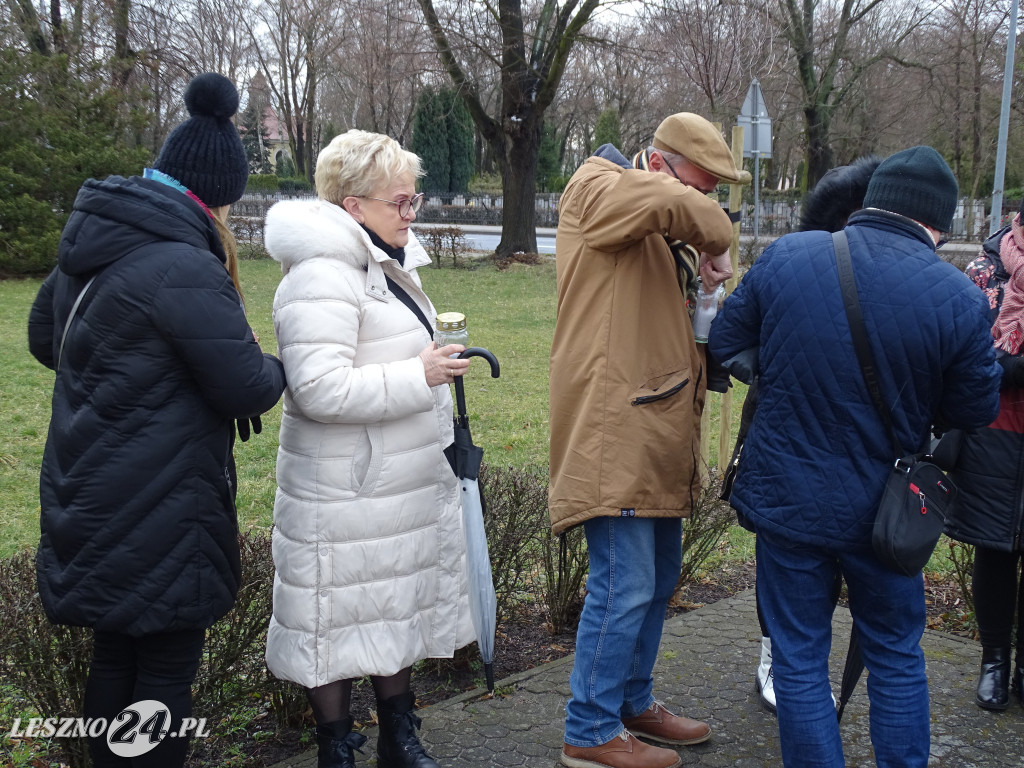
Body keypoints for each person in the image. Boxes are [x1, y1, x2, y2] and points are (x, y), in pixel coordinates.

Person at [708, 146, 1002, 767]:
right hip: (887, 513)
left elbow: (727, 342)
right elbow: (975, 410)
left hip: (788, 499)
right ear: (939, 225)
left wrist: (788, 377)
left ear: (872, 201)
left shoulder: (789, 255)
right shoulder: (959, 299)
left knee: (798, 655)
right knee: (896, 653)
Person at [26, 72, 286, 768]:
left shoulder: (94, 241)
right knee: (165, 676)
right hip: (162, 502)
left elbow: (45, 341)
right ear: (216, 196)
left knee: (115, 659)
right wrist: (290, 366)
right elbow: (247, 386)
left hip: (88, 481)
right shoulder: (182, 264)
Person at [263, 130, 475, 768]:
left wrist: (428, 363)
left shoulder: (381, 264)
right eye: (400, 203)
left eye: (414, 201)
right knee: (334, 618)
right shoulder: (322, 274)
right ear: (353, 206)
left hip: (392, 483)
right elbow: (318, 388)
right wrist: (421, 376)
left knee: (390, 609)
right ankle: (338, 747)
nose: (412, 214)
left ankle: (398, 737)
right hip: (344, 489)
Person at [549, 113, 744, 768]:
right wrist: (714, 232)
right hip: (617, 431)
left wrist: (703, 279)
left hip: (653, 427)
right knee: (623, 583)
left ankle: (632, 701)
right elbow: (676, 206)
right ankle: (591, 727)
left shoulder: (655, 221)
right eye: (704, 186)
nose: (710, 202)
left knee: (655, 579)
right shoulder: (598, 187)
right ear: (659, 165)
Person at [743, 155, 882, 714]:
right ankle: (776, 659)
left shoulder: (799, 261)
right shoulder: (796, 265)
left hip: (829, 462)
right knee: (790, 578)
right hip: (798, 452)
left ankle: (784, 661)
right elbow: (737, 339)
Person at [945, 196, 1024, 712]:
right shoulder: (987, 269)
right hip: (999, 429)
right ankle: (994, 661)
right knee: (996, 549)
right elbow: (973, 352)